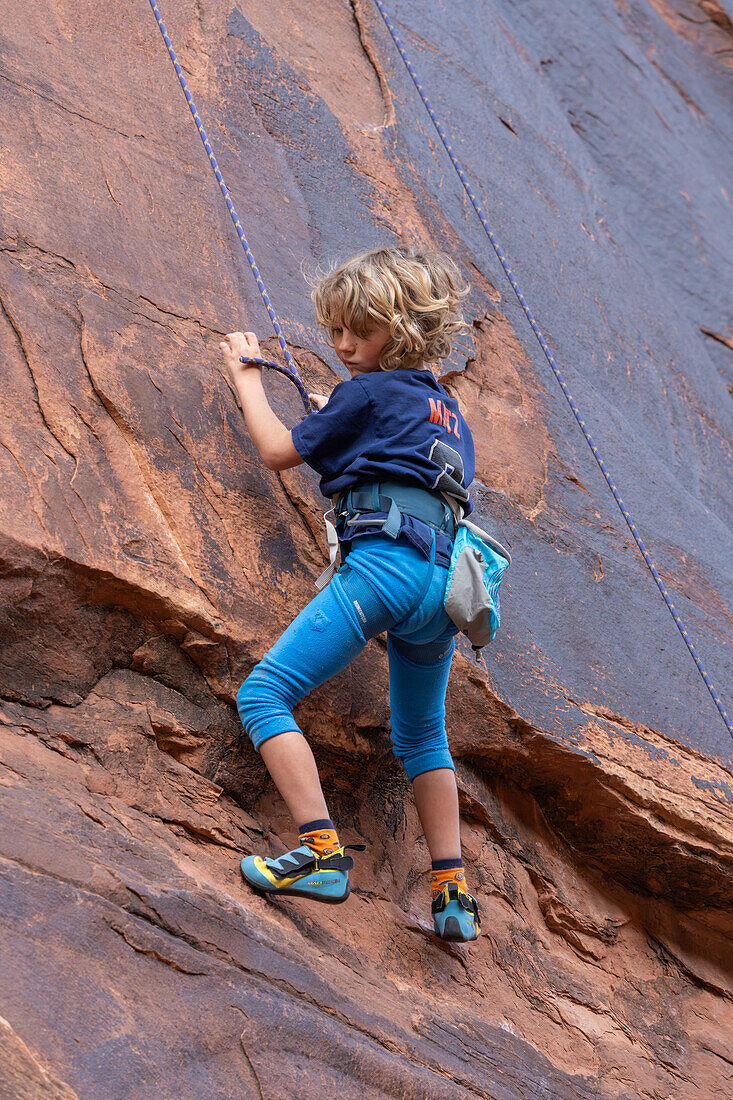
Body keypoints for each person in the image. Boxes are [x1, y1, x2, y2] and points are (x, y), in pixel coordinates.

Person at [219, 246, 481, 942]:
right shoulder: (447, 410)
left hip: (384, 570)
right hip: (443, 588)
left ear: (394, 330)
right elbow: (397, 458)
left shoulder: (363, 395)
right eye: (334, 330)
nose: (339, 346)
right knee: (422, 735)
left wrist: (246, 377)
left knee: (262, 695)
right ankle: (452, 894)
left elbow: (279, 452)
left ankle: (320, 853)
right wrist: (336, 415)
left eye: (353, 332)